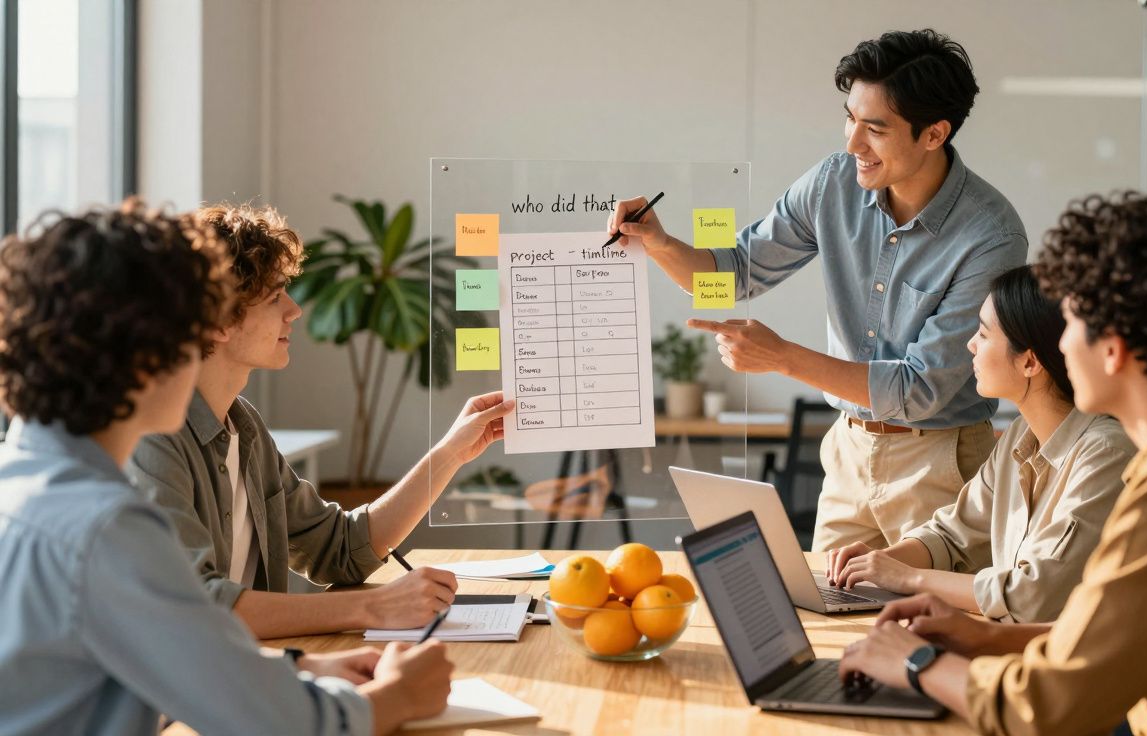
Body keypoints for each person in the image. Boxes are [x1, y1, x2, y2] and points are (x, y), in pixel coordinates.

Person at [838, 193, 1147, 735]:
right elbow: (1128, 635)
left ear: (1112, 348)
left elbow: (1047, 707)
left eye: (1070, 324)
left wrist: (916, 663)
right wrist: (989, 636)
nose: (1060, 344)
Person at [0, 200, 454, 736]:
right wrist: (398, 697)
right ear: (144, 347)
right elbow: (269, 723)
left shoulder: (28, 483)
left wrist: (298, 669)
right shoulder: (107, 525)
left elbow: (167, 655)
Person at [609, 30, 1026, 552]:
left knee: (927, 605)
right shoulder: (832, 183)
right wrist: (660, 243)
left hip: (940, 464)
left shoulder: (990, 235)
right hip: (849, 450)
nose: (853, 144)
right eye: (850, 119)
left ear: (934, 134)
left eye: (875, 129)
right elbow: (733, 275)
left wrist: (780, 357)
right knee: (821, 600)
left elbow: (919, 389)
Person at [126, 203, 514, 638]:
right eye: (275, 296)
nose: (294, 310)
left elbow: (340, 549)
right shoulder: (151, 438)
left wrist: (452, 452)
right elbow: (195, 606)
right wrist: (374, 606)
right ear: (218, 318)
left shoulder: (243, 426)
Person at [825, 266, 1134, 623]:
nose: (970, 344)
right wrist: (882, 561)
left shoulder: (1105, 454)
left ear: (1029, 361)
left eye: (984, 335)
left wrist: (908, 578)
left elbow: (1032, 596)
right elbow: (953, 533)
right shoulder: (1020, 434)